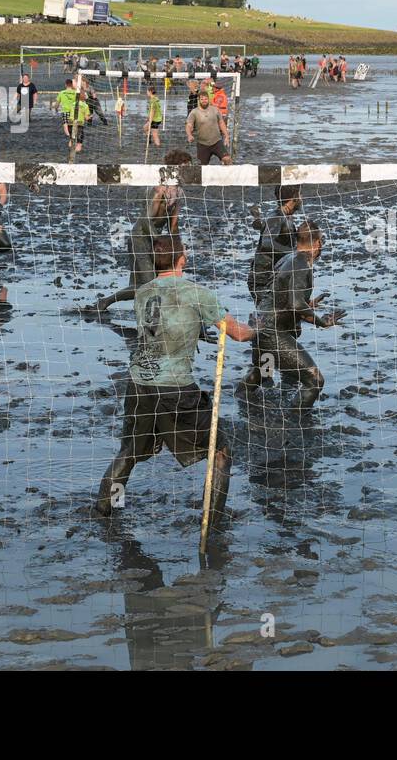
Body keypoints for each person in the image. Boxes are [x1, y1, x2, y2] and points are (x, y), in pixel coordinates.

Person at [95, 233, 254, 518]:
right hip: (176, 388)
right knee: (220, 451)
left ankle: (107, 509)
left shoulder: (144, 291)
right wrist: (260, 327)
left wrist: (194, 330)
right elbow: (238, 333)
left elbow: (163, 326)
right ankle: (215, 520)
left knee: (129, 452)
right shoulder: (196, 292)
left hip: (139, 383)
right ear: (183, 257)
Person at [238, 221, 345, 410]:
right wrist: (322, 322)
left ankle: (240, 400)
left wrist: (308, 304)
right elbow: (295, 304)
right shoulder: (302, 263)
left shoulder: (288, 257)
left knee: (263, 372)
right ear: (319, 243)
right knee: (315, 380)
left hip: (259, 323)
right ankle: (296, 423)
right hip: (272, 332)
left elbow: (276, 294)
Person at [84, 150, 193, 315]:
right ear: (174, 169)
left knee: (145, 286)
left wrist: (178, 246)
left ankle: (106, 302)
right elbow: (146, 220)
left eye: (190, 168)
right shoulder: (159, 191)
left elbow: (174, 225)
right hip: (140, 238)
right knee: (150, 284)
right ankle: (150, 316)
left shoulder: (178, 193)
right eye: (185, 167)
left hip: (155, 240)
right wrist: (159, 241)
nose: (189, 171)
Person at [247, 185, 301, 305]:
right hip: (263, 280)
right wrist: (293, 253)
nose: (302, 198)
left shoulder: (286, 217)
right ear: (294, 198)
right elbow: (267, 243)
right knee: (269, 319)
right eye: (300, 194)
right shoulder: (276, 216)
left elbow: (265, 228)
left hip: (274, 278)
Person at [185, 90, 230, 165]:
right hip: (202, 144)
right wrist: (189, 135)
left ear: (208, 99)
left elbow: (221, 123)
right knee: (202, 167)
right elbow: (189, 125)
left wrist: (226, 136)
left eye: (205, 99)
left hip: (217, 142)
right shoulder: (194, 112)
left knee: (227, 160)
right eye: (202, 99)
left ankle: (226, 176)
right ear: (199, 100)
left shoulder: (215, 109)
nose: (204, 101)